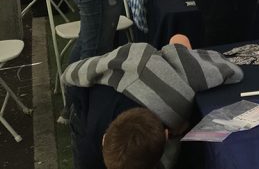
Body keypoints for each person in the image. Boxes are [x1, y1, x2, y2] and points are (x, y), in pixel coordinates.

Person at [63, 34, 244, 169]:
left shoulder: (181, 80)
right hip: (89, 84)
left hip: (147, 68)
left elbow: (180, 40)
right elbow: (70, 75)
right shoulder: (90, 140)